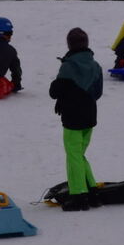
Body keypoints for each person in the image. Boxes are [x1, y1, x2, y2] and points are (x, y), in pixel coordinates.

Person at [48, 27, 104, 212]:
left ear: (70, 45)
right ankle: (92, 190)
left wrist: (65, 98)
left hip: (72, 117)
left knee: (73, 155)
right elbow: (98, 92)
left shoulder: (69, 66)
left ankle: (79, 195)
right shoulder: (95, 66)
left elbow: (55, 91)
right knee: (79, 154)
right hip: (90, 115)